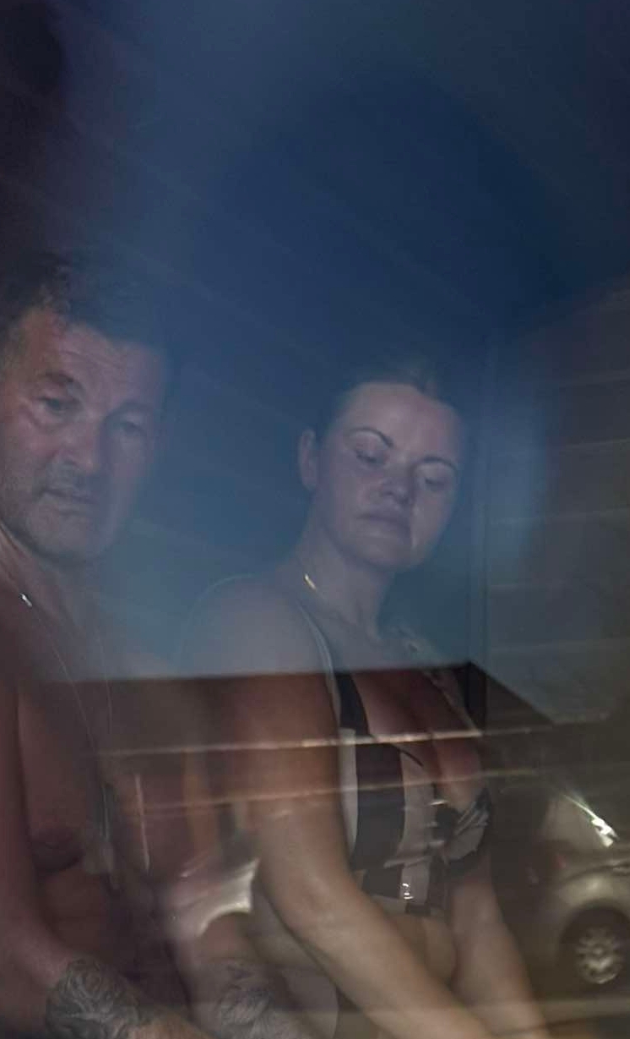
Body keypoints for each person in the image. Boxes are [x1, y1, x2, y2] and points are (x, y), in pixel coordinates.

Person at [0, 254, 303, 1039]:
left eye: (128, 427)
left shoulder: (139, 664)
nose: (90, 459)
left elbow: (210, 921)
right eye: (56, 404)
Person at [178, 359, 549, 1039]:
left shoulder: (424, 662)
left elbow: (477, 916)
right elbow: (309, 898)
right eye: (371, 455)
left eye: (434, 478)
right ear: (312, 459)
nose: (399, 489)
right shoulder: (257, 621)